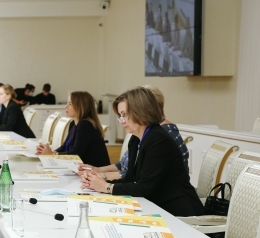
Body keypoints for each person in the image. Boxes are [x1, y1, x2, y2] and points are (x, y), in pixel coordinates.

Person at [81, 87, 203, 217]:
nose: (122, 121)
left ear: (140, 111)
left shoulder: (158, 140)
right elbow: (130, 179)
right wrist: (97, 182)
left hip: (178, 212)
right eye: (120, 116)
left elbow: (144, 188)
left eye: (124, 115)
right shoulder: (135, 140)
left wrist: (106, 187)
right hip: (155, 205)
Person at [79, 85, 189, 180]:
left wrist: (102, 177)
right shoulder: (140, 133)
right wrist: (97, 170)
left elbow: (138, 177)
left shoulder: (163, 135)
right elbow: (124, 164)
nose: (123, 120)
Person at [36, 91, 110, 167]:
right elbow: (64, 147)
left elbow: (75, 154)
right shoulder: (73, 124)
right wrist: (50, 152)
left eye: (70, 104)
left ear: (81, 106)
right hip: (82, 169)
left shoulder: (86, 125)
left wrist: (52, 155)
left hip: (96, 170)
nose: (66, 106)